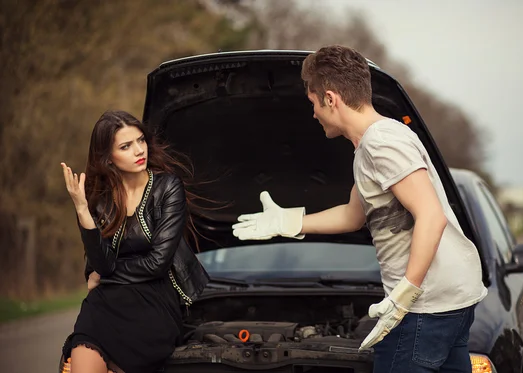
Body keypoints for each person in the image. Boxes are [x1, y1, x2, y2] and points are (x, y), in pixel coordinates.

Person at [232, 45, 488, 373]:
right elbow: (354, 215)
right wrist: (289, 221)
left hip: (423, 308)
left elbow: (431, 216)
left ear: (330, 98)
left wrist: (404, 296)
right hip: (450, 300)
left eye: (312, 104)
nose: (313, 114)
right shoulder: (377, 140)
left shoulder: (381, 143)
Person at [59, 110, 210, 373]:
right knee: (82, 355)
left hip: (155, 300)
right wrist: (83, 211)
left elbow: (157, 264)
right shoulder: (99, 199)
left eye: (140, 140)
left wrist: (104, 278)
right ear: (108, 158)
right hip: (106, 304)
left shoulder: (167, 187)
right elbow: (101, 264)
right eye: (126, 146)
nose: (139, 150)